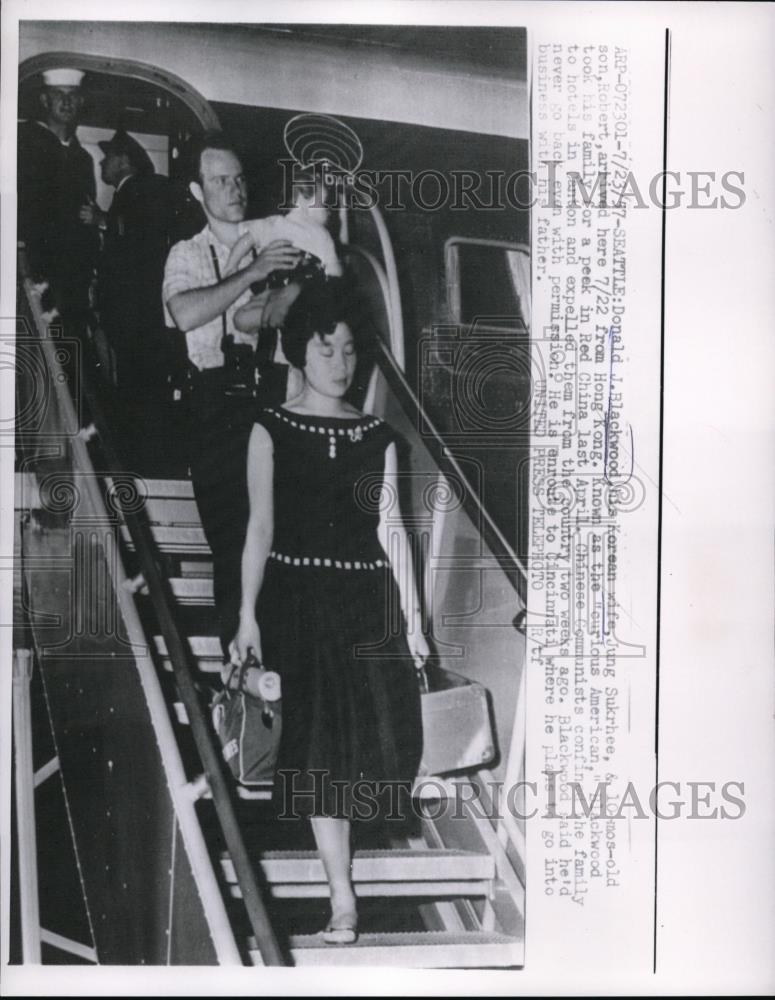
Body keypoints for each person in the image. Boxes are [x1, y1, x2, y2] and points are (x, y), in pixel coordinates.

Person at [231, 279, 428, 944]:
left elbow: (391, 529)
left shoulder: (379, 437)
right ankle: (342, 899)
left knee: (366, 750)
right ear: (296, 352)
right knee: (316, 746)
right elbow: (259, 528)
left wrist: (414, 621)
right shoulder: (271, 429)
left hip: (364, 601)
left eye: (349, 350)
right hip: (298, 601)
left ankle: (344, 891)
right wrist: (247, 617)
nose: (340, 364)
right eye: (325, 350)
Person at [162, 132, 303, 652]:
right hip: (217, 413)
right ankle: (234, 672)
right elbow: (183, 313)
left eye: (239, 178)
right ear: (198, 192)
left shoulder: (274, 238)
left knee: (282, 546)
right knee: (233, 547)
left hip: (275, 404)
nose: (235, 189)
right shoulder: (188, 253)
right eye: (221, 181)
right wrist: (253, 273)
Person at [88, 129, 174, 469]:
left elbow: (144, 237)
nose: (103, 165)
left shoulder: (141, 190)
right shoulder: (130, 194)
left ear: (124, 160)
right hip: (133, 320)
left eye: (108, 158)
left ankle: (144, 461)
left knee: (140, 391)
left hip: (137, 320)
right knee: (137, 390)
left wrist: (103, 221)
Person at [17, 68, 99, 329]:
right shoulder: (24, 142)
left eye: (73, 96)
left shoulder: (82, 159)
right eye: (58, 94)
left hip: (73, 279)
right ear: (44, 100)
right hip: (32, 270)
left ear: (81, 102)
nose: (66, 102)